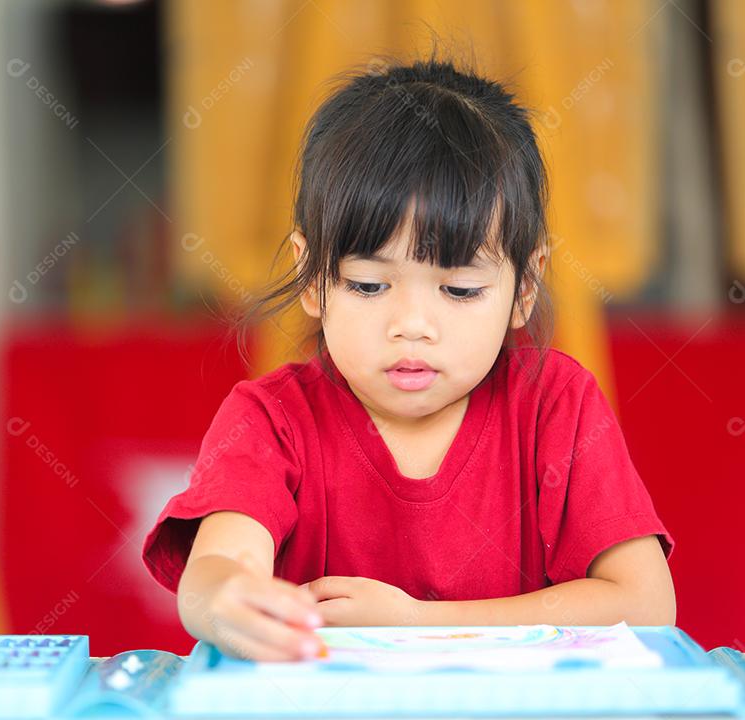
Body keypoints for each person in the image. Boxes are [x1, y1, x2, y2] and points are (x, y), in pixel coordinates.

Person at [142, 54, 676, 662]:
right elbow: (216, 571)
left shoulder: (557, 404)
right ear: (313, 278)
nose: (413, 327)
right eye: (369, 286)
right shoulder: (270, 420)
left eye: (460, 290)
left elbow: (646, 604)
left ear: (524, 288)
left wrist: (420, 623)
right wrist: (228, 600)